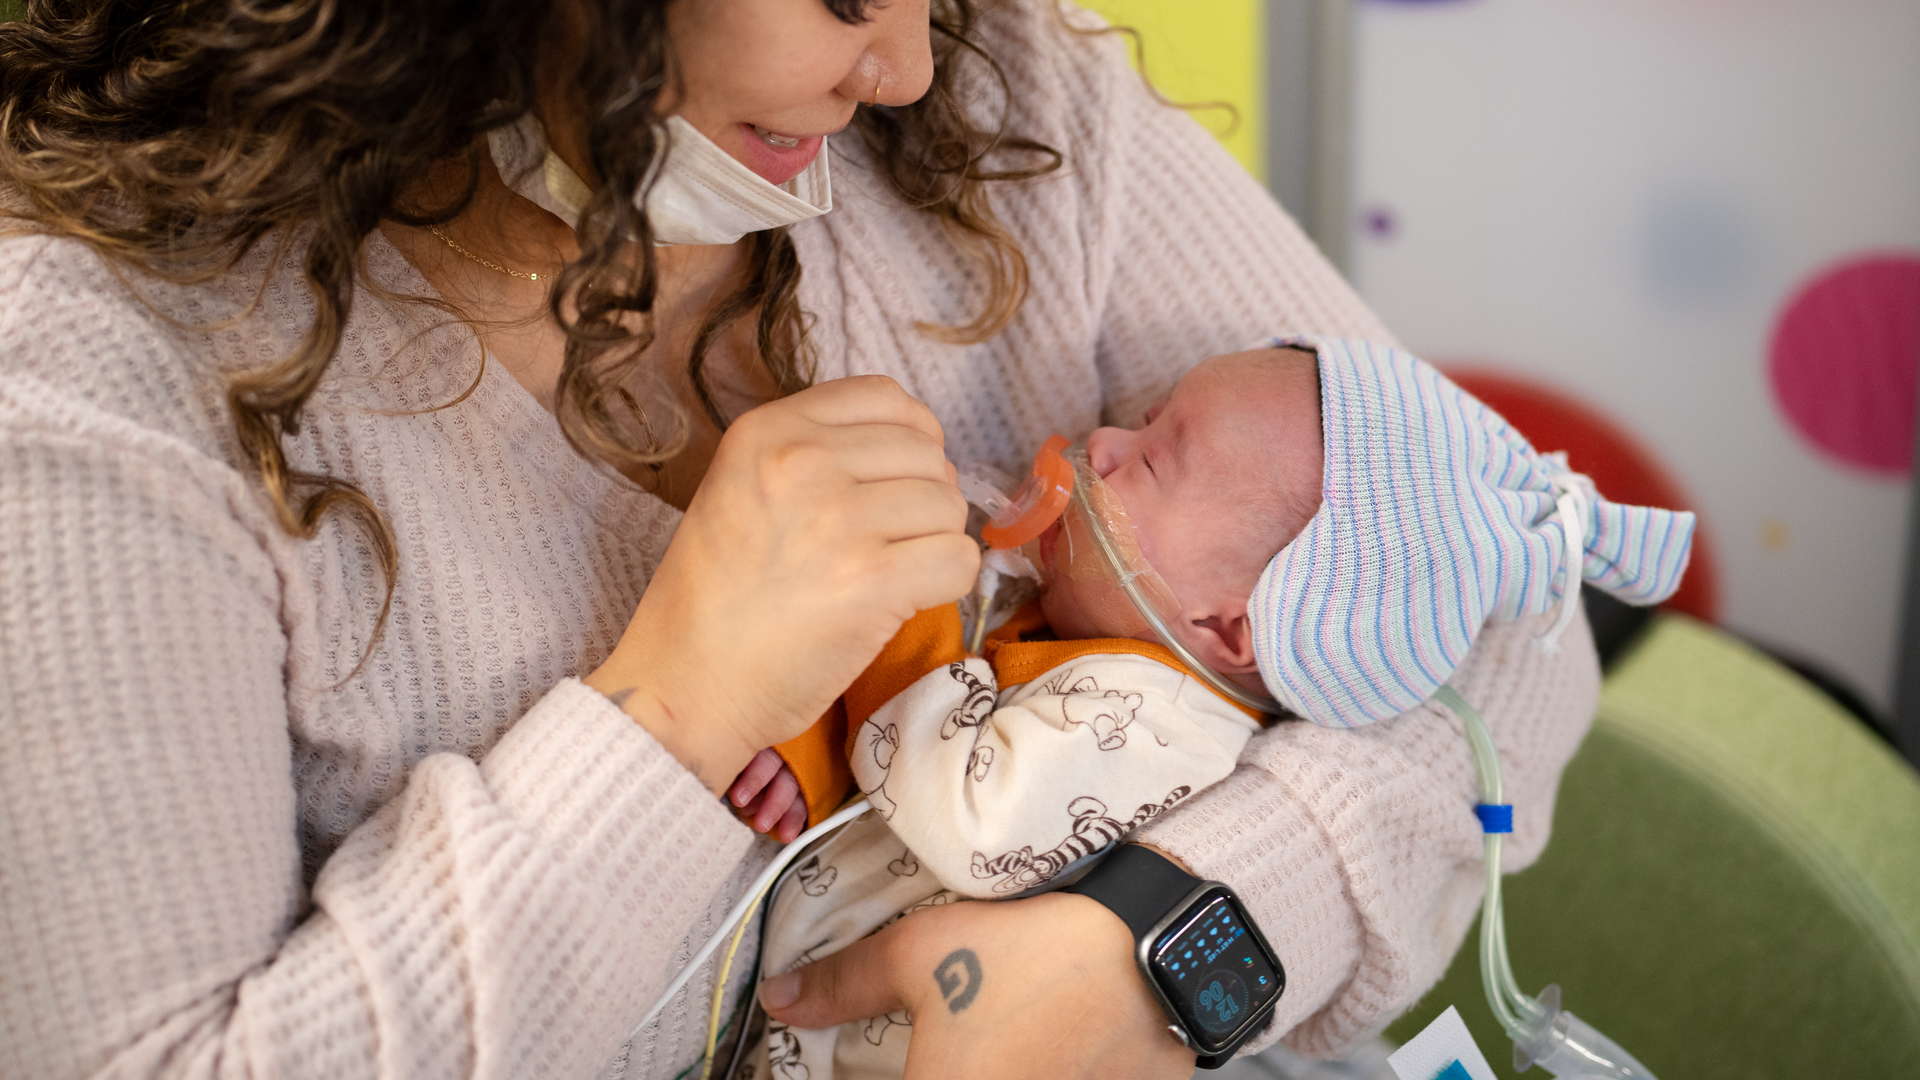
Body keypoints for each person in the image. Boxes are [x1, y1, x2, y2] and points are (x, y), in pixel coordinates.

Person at [0, 2, 1600, 1079]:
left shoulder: (996, 95)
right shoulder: (97, 374)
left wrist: (1181, 941)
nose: (905, 66)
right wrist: (664, 720)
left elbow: (1511, 619)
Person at [729, 337, 1693, 1080]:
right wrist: (811, 753)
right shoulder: (1058, 617)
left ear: (1230, 627)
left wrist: (909, 599)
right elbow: (897, 742)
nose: (1101, 442)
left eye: (1151, 460)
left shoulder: (1152, 720)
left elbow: (969, 814)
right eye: (1142, 423)